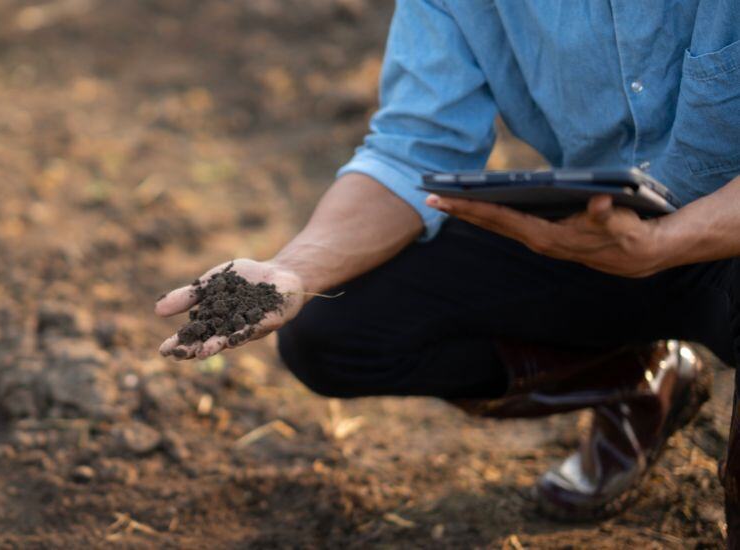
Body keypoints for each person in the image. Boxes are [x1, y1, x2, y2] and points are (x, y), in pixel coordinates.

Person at [155, 0, 740, 543]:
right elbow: (412, 151)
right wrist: (293, 269)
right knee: (337, 331)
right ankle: (645, 379)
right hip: (601, 232)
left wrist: (672, 241)